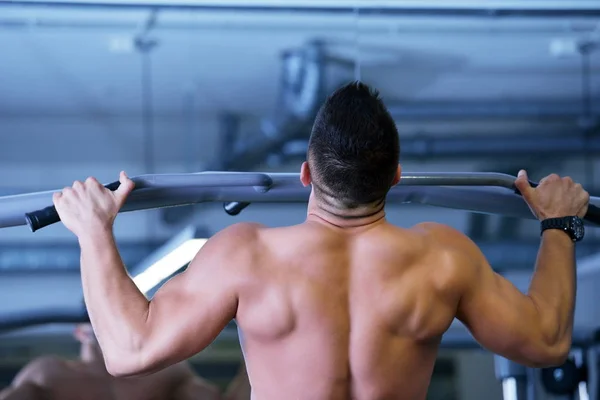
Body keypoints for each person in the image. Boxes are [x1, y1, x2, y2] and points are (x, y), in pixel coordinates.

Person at [52, 81, 590, 400]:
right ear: (396, 176)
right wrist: (559, 225)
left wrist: (94, 231)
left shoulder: (248, 256)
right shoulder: (443, 259)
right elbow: (545, 342)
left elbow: (127, 351)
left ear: (306, 174)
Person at [0, 323, 248, 400]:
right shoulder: (50, 373)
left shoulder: (166, 373)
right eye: (98, 322)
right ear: (81, 332)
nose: (109, 328)